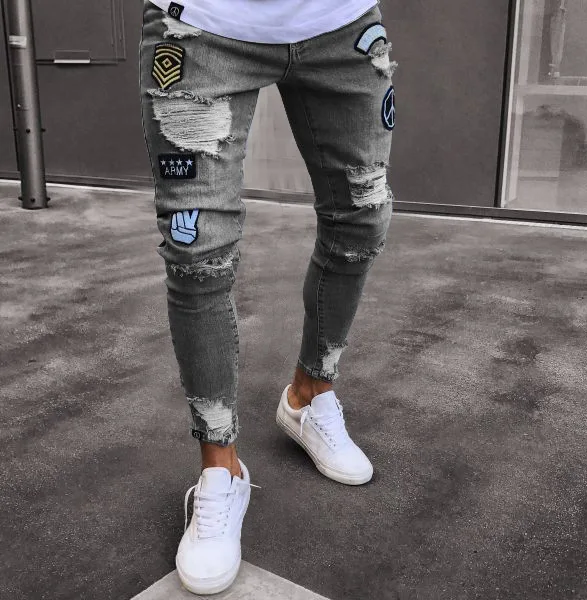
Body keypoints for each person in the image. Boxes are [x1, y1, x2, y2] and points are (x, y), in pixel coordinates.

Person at [138, 0, 396, 594]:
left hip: (342, 24)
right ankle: (220, 470)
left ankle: (308, 396)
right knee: (197, 251)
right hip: (201, 25)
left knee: (362, 216)